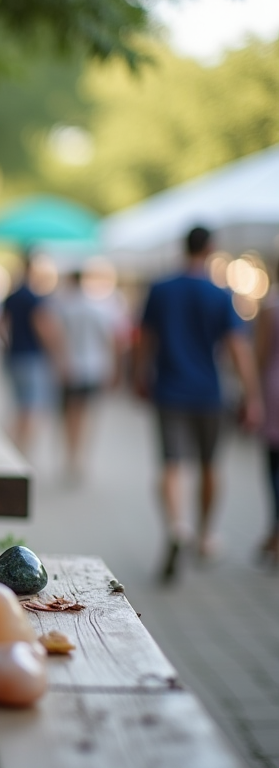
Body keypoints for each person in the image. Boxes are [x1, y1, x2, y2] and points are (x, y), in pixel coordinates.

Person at [134, 226, 262, 583]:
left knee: (172, 465)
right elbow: (238, 348)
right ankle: (205, 536)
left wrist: (140, 376)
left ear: (183, 247)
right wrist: (253, 397)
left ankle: (176, 527)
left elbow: (145, 338)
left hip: (169, 390)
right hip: (209, 392)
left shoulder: (160, 289)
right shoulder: (220, 294)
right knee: (209, 465)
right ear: (211, 250)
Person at [49, 268, 117, 480]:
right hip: (92, 367)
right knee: (85, 414)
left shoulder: (62, 307)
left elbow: (55, 337)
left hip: (69, 367)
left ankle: (71, 456)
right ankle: (79, 458)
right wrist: (112, 367)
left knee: (69, 414)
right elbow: (108, 338)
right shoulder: (96, 307)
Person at [0, 253, 62, 456]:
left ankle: (12, 447)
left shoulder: (12, 295)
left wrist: (8, 343)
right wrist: (55, 354)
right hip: (31, 357)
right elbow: (43, 327)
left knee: (19, 406)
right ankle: (19, 452)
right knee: (30, 408)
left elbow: (0, 326)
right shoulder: (33, 298)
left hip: (14, 356)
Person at [253, 258, 279, 568]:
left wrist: (251, 394)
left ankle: (275, 531)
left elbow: (258, 354)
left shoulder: (271, 307)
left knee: (273, 463)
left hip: (274, 389)